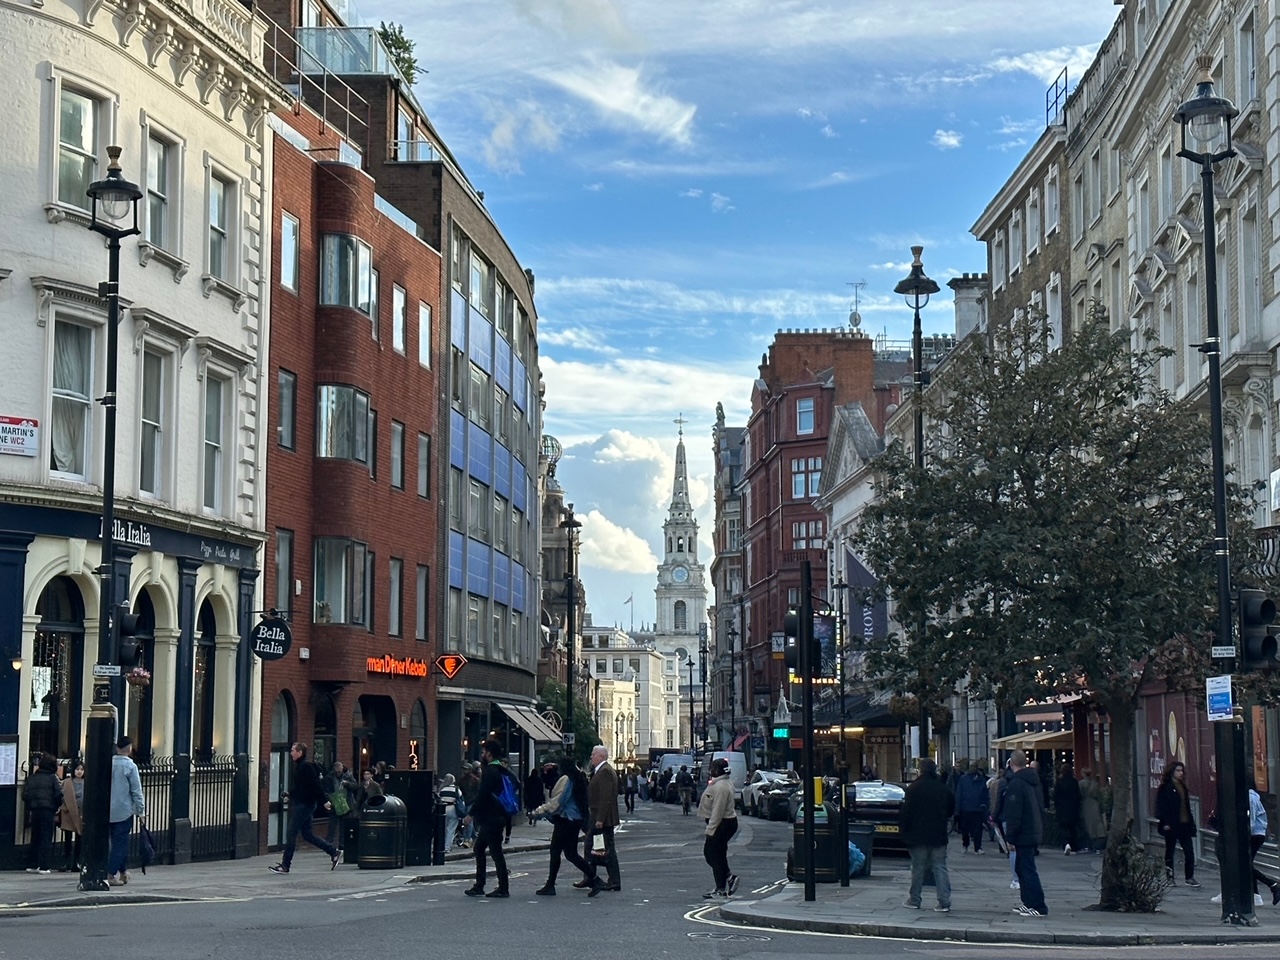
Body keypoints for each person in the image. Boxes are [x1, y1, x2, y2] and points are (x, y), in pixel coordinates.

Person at [270, 742, 341, 875]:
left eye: (293, 750)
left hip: (305, 805)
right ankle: (333, 852)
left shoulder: (306, 766)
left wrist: (324, 801)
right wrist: (290, 794)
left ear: (300, 752)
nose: (291, 753)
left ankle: (285, 865)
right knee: (307, 834)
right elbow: (301, 787)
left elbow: (315, 785)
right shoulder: (301, 767)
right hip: (304, 803)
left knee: (291, 833)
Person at [462, 739, 515, 898]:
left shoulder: (490, 771)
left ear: (489, 753)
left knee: (495, 852)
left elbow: (483, 794)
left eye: (484, 752)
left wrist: (470, 814)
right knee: (480, 848)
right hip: (498, 816)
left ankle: (501, 887)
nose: (483, 754)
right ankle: (480, 885)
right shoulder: (502, 769)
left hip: (492, 817)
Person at [899, 757, 953, 913]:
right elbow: (951, 809)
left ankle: (914, 899)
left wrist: (904, 833)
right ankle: (944, 901)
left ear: (920, 770)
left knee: (918, 868)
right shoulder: (942, 788)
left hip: (917, 835)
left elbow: (906, 814)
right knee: (940, 867)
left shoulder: (913, 789)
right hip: (938, 834)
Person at [532, 761, 592, 895]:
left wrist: (540, 811)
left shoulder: (568, 780)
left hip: (566, 819)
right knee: (571, 854)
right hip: (575, 819)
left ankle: (551, 884)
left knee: (555, 851)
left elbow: (560, 801)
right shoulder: (579, 778)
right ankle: (594, 878)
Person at [1004, 749, 1049, 917]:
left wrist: (1010, 837)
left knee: (1027, 869)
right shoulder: (1033, 781)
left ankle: (1038, 905)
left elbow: (1014, 812)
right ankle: (1028, 902)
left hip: (1023, 832)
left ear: (1011, 763)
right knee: (1022, 868)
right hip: (1033, 829)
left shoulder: (1016, 783)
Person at [697, 757, 739, 899]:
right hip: (725, 823)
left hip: (722, 823)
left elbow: (718, 810)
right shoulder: (722, 783)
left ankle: (722, 885)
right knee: (718, 854)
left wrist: (711, 829)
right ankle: (726, 881)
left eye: (713, 768)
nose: (711, 770)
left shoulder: (721, 786)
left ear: (718, 770)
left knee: (711, 854)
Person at [583, 744, 622, 896]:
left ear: (601, 756)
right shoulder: (601, 770)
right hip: (600, 815)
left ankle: (609, 880)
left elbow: (606, 798)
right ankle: (591, 877)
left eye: (593, 754)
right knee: (597, 847)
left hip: (602, 817)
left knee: (605, 849)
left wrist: (600, 819)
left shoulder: (605, 771)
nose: (591, 757)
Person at [1155, 760, 1200, 887]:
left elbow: (1185, 806)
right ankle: (1170, 877)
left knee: (1189, 852)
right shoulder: (1165, 788)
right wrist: (1165, 822)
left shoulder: (1182, 787)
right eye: (1178, 771)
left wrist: (1191, 823)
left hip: (1184, 823)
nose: (1181, 773)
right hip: (1172, 824)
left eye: (1182, 771)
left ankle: (1189, 877)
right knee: (1170, 851)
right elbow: (1161, 806)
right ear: (1172, 772)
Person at [108, 737, 145, 886]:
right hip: (123, 810)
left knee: (116, 842)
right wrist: (141, 811)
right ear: (129, 748)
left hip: (106, 810)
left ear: (117, 748)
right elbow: (136, 790)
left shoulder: (108, 763)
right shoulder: (130, 766)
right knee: (120, 844)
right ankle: (111, 874)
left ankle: (123, 872)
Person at [23, 753, 60, 875]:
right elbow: (58, 794)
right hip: (48, 810)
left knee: (35, 837)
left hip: (35, 810)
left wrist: (31, 805)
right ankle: (44, 866)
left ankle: (32, 864)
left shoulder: (32, 778)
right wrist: (56, 806)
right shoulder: (52, 778)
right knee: (46, 838)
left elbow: (25, 794)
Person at [1249, 781, 1280, 905]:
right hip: (1256, 834)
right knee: (1247, 864)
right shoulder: (1253, 796)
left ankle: (1272, 884)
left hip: (1254, 835)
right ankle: (1256, 894)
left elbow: (1251, 820)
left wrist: (1245, 836)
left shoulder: (1250, 797)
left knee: (1244, 864)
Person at [57, 760, 86, 873]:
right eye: (77, 769)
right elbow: (61, 796)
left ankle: (77, 862)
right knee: (67, 838)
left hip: (81, 813)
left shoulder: (86, 783)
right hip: (68, 812)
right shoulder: (67, 782)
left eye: (82, 770)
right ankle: (67, 862)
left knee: (79, 839)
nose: (79, 772)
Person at [955, 761, 988, 854]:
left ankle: (977, 847)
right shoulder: (965, 779)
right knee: (966, 829)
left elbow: (985, 794)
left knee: (977, 829)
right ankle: (966, 844)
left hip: (975, 808)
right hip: (967, 807)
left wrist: (984, 805)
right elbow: (959, 794)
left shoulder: (980, 779)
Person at [323, 761, 356, 850]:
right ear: (334, 770)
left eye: (340, 772)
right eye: (337, 772)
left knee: (343, 825)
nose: (338, 773)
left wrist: (347, 784)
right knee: (332, 826)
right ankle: (328, 844)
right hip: (334, 803)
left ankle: (342, 844)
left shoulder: (348, 776)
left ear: (342, 769)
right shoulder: (329, 778)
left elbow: (355, 787)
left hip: (346, 803)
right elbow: (326, 790)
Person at [1053, 764, 1084, 854]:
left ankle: (1066, 844)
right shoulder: (1074, 782)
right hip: (1073, 809)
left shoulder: (1059, 782)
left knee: (1063, 827)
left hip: (1062, 809)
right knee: (1073, 828)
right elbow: (1078, 795)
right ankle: (1074, 845)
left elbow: (1055, 796)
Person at [1079, 768, 1107, 852]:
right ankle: (1098, 842)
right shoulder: (1095, 784)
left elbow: (1079, 794)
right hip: (1094, 804)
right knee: (1096, 823)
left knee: (1087, 824)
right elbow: (1099, 796)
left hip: (1085, 804)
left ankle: (1089, 844)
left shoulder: (1081, 784)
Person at [438, 773, 462, 848]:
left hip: (443, 809)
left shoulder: (442, 789)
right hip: (453, 809)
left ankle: (441, 845)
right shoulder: (456, 789)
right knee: (451, 829)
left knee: (443, 829)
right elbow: (461, 801)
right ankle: (447, 846)